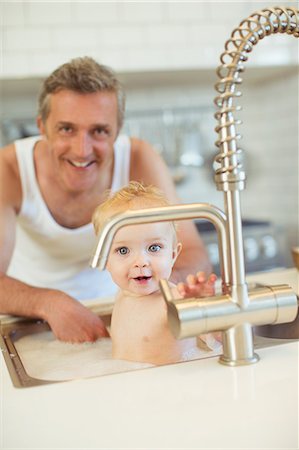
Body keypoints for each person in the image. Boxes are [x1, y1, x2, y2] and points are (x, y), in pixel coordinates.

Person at [0, 56, 211, 343]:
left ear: (117, 131)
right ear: (42, 126)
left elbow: (193, 253)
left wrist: (160, 288)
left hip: (123, 312)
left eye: (99, 131)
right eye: (66, 129)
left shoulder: (138, 159)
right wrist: (49, 303)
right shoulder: (10, 169)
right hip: (31, 319)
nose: (82, 149)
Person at [92, 181, 218, 365]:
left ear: (173, 254)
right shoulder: (123, 295)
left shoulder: (173, 300)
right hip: (127, 383)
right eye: (123, 251)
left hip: (168, 386)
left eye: (154, 247)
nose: (141, 262)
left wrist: (201, 306)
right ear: (105, 259)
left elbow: (218, 341)